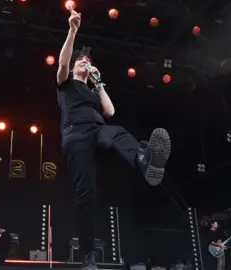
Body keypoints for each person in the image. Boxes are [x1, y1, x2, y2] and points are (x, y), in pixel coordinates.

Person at [56, 7, 172, 270]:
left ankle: (144, 159)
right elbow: (63, 63)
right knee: (87, 195)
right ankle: (88, 257)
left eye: (88, 60)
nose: (85, 62)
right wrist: (72, 30)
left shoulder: (92, 89)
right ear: (75, 66)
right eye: (81, 61)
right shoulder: (66, 84)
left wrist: (99, 84)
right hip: (75, 136)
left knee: (116, 131)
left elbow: (109, 111)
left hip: (97, 130)